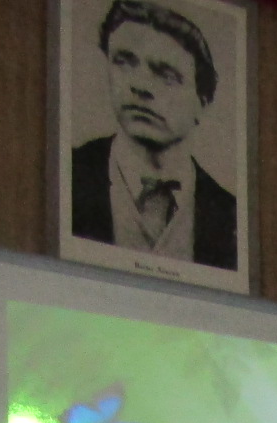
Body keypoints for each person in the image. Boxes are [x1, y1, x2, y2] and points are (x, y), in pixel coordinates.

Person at [70, 1, 237, 271]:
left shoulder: (230, 214)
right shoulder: (69, 174)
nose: (140, 86)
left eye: (166, 75)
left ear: (202, 102)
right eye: (124, 62)